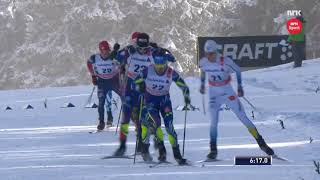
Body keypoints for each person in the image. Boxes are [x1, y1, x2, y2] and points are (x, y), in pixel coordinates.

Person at [199, 40, 275, 160]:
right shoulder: (203, 62)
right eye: (207, 53)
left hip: (228, 93)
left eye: (212, 53)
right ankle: (213, 151)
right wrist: (202, 84)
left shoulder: (225, 61)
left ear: (216, 52)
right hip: (214, 95)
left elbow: (238, 70)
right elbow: (203, 72)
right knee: (213, 122)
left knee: (243, 117)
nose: (210, 56)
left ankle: (262, 144)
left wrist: (240, 87)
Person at [134, 49, 190, 165]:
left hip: (164, 101)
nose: (160, 68)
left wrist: (186, 95)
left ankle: (177, 155)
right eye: (157, 65)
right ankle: (149, 149)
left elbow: (183, 85)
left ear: (166, 63)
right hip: (150, 102)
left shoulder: (170, 72)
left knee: (170, 127)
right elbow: (136, 80)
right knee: (155, 124)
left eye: (162, 65)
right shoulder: (148, 70)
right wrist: (140, 85)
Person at [87, 40, 121, 130]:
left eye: (107, 50)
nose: (105, 52)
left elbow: (122, 63)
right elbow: (89, 63)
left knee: (125, 97)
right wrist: (93, 76)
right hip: (102, 82)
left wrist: (120, 72)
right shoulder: (95, 58)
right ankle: (101, 122)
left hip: (114, 80)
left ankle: (131, 118)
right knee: (101, 102)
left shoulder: (113, 56)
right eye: (103, 50)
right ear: (100, 50)